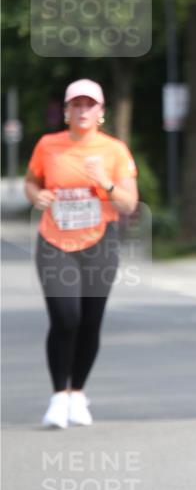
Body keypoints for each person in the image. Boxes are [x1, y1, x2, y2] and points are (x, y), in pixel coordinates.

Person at [24, 79, 138, 429]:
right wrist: (36, 196)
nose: (83, 110)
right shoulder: (48, 145)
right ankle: (59, 396)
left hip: (99, 243)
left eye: (90, 105)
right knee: (65, 317)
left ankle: (77, 393)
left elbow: (129, 203)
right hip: (55, 242)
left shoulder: (114, 150)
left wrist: (104, 181)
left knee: (90, 322)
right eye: (76, 104)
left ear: (100, 112)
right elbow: (31, 181)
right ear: (67, 111)